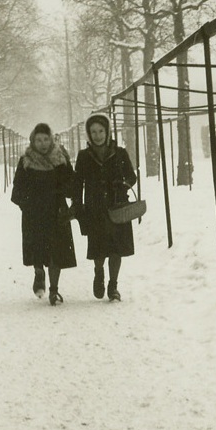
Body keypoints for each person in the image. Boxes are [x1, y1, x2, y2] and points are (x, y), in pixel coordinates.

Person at [10, 122, 77, 306]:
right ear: (32, 141)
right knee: (38, 249)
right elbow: (16, 192)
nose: (43, 143)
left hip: (57, 212)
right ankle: (39, 272)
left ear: (51, 139)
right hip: (35, 214)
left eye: (46, 139)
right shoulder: (26, 162)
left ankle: (54, 290)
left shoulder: (60, 159)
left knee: (56, 253)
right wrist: (28, 204)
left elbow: (72, 186)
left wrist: (67, 166)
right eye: (38, 140)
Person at [73, 112, 137, 301]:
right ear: (89, 134)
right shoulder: (84, 156)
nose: (98, 135)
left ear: (107, 131)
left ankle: (113, 286)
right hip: (95, 209)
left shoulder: (120, 153)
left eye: (101, 131)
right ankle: (99, 273)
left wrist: (123, 183)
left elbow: (132, 176)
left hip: (118, 207)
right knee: (99, 248)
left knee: (117, 249)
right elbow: (78, 183)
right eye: (93, 132)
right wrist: (77, 205)